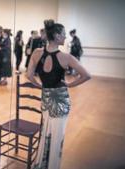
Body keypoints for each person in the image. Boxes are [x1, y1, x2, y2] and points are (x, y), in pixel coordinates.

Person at [26, 19, 91, 169]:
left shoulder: (37, 53)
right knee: (57, 137)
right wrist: (70, 84)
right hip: (61, 99)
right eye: (63, 34)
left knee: (45, 133)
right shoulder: (66, 57)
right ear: (56, 36)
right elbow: (87, 75)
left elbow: (29, 75)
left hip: (46, 98)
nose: (65, 37)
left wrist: (41, 86)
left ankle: (42, 164)